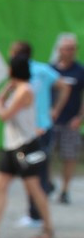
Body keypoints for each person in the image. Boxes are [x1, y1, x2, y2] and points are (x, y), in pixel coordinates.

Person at [0, 54, 55, 238]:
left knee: (34, 188)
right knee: (0, 184)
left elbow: (4, 114)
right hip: (13, 146)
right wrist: (3, 93)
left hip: (25, 146)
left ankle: (48, 228)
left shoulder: (25, 90)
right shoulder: (16, 88)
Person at [11, 41, 70, 227]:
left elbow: (65, 86)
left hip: (37, 128)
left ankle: (36, 216)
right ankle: (37, 212)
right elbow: (64, 86)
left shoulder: (35, 72)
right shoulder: (38, 71)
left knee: (34, 171)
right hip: (35, 127)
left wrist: (55, 110)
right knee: (34, 170)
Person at [49, 33, 82, 204]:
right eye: (65, 48)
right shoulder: (51, 69)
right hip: (51, 120)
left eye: (72, 49)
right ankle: (48, 183)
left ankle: (65, 189)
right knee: (46, 154)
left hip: (70, 121)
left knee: (69, 156)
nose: (69, 52)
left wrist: (80, 117)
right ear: (59, 50)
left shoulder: (79, 70)